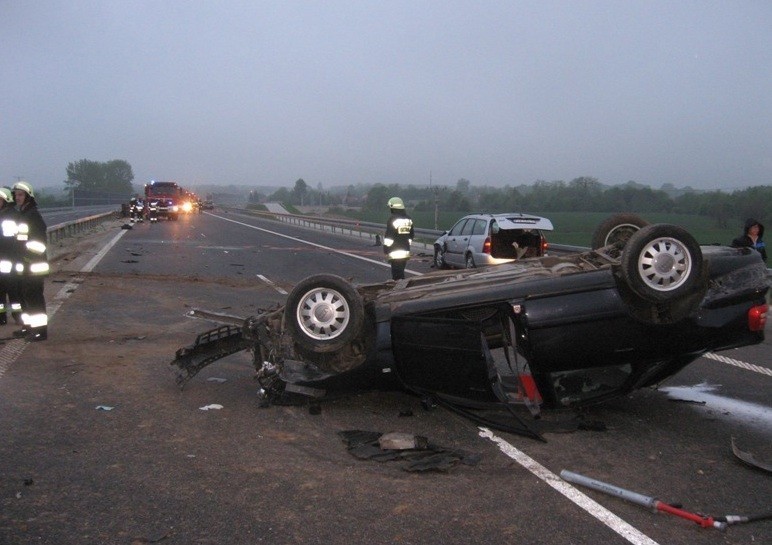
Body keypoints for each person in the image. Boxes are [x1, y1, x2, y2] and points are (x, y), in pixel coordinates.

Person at [12, 181, 49, 341]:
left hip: (34, 266)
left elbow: (39, 244)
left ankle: (40, 331)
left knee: (35, 299)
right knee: (25, 298)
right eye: (15, 194)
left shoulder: (32, 215)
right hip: (25, 265)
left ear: (28, 197)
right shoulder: (23, 214)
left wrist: (26, 255)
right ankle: (28, 327)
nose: (17, 197)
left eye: (20, 194)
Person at [0, 187, 22, 326]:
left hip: (9, 258)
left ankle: (18, 316)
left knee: (13, 289)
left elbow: (9, 240)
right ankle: (1, 317)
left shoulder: (11, 216)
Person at [382, 197, 414, 280]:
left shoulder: (393, 219)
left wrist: (386, 249)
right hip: (405, 251)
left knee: (396, 276)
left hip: (395, 251)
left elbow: (389, 237)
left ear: (393, 207)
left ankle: (399, 291)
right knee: (401, 273)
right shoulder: (408, 218)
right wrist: (406, 244)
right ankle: (402, 289)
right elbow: (411, 235)